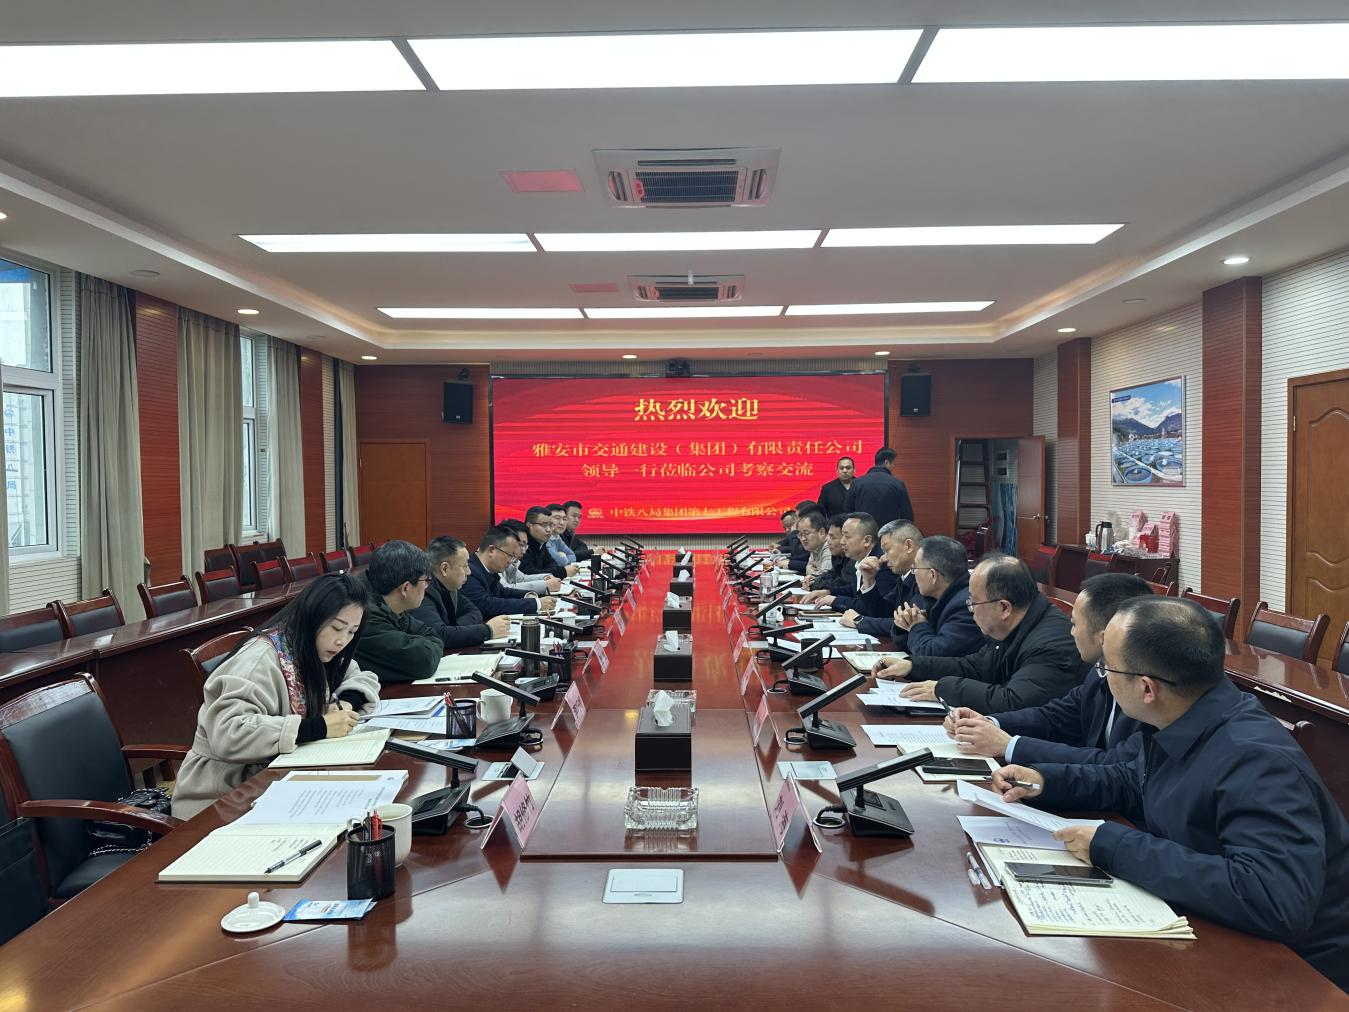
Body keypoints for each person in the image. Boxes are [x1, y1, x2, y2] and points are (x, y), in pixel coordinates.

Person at [992, 597, 1349, 991]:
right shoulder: (1184, 714)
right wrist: (1046, 782)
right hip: (1214, 928)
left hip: (1297, 973)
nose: (1102, 677)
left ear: (1147, 688)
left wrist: (1115, 846)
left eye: (1107, 668)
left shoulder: (1256, 759)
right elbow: (1133, 781)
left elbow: (1273, 897)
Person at [172, 574, 380, 819]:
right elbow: (230, 731)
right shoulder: (260, 659)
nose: (341, 641)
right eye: (336, 627)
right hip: (221, 795)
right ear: (312, 616)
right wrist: (319, 727)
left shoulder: (312, 648)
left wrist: (345, 704)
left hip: (273, 781)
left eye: (351, 631)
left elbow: (360, 677)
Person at [947, 572, 1152, 762]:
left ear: (1105, 636)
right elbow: (1057, 716)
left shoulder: (1148, 693)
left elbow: (1116, 766)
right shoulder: (1100, 669)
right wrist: (989, 723)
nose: (1071, 632)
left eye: (1074, 624)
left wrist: (1009, 745)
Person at [871, 553, 1084, 709]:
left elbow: (1013, 700)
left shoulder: (1049, 645)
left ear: (1004, 608)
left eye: (973, 602)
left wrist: (943, 688)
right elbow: (974, 666)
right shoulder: (1015, 625)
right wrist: (912, 665)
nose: (970, 609)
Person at [354, 540, 444, 684]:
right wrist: (422, 643)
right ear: (405, 588)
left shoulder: (388, 598)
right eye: (426, 580)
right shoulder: (363, 615)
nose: (427, 586)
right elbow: (424, 661)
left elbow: (430, 634)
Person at [410, 536, 512, 649]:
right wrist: (488, 630)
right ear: (444, 569)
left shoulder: (450, 587)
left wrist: (452, 629)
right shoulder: (422, 591)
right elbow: (438, 636)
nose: (469, 572)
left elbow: (475, 612)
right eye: (465, 566)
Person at [897, 535, 984, 658]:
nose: (914, 573)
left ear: (933, 575)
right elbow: (907, 643)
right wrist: (907, 621)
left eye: (915, 568)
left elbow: (933, 655)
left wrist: (917, 625)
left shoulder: (965, 605)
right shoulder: (933, 597)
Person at [845, 520, 924, 641]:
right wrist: (868, 581)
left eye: (887, 550)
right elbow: (884, 612)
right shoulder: (904, 577)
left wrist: (860, 621)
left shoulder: (925, 578)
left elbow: (908, 623)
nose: (883, 558)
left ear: (908, 546)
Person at [466, 525, 554, 617]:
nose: (511, 561)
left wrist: (527, 596)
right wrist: (536, 604)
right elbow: (487, 605)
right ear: (492, 550)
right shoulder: (469, 572)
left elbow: (502, 592)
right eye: (510, 555)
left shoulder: (488, 569)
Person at [845, 447, 914, 527]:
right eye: (893, 463)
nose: (894, 466)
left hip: (863, 531)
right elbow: (907, 515)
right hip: (888, 532)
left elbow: (848, 510)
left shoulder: (857, 483)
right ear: (886, 462)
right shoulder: (897, 484)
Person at [499, 519, 561, 595]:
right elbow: (505, 589)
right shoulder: (495, 561)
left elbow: (521, 578)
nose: (524, 551)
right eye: (521, 545)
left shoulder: (509, 559)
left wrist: (545, 577)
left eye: (525, 546)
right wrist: (545, 585)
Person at [522, 506, 578, 579]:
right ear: (529, 525)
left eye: (551, 525)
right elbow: (527, 573)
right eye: (544, 525)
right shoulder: (522, 544)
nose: (548, 530)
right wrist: (563, 572)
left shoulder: (541, 542)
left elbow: (551, 564)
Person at [796, 509, 832, 583]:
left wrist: (812, 573)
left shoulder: (829, 546)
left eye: (806, 533)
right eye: (800, 534)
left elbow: (824, 578)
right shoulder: (814, 547)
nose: (803, 538)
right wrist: (812, 572)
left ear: (821, 532)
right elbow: (808, 570)